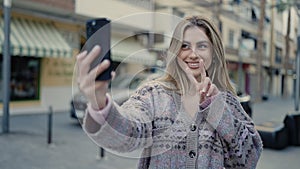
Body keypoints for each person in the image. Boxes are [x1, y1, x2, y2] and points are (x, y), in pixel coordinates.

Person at [76, 15, 263, 169]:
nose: (193, 54)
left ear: (213, 54)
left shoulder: (228, 101)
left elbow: (250, 158)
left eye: (202, 46)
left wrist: (216, 108)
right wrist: (99, 101)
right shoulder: (154, 94)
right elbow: (130, 131)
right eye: (184, 46)